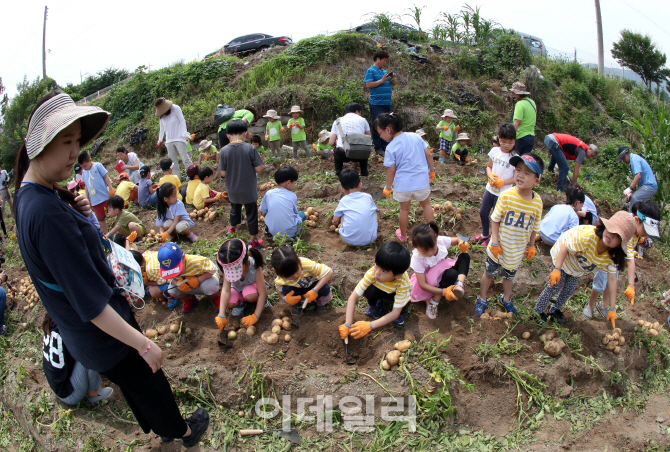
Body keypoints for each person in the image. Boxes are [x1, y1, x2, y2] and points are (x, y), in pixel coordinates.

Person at [15, 91, 208, 446]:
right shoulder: (45, 213)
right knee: (148, 378)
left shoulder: (32, 196)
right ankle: (181, 432)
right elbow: (90, 303)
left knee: (136, 383)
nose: (75, 153)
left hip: (87, 337)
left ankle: (161, 427)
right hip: (103, 334)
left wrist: (82, 213)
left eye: (77, 142)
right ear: (40, 146)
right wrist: (143, 343)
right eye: (66, 142)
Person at [533, 211, 634, 325]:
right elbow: (565, 246)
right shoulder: (588, 237)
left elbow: (611, 280)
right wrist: (557, 269)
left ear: (620, 244)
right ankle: (537, 312)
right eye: (611, 230)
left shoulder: (611, 258)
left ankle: (554, 309)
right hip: (564, 257)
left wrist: (612, 308)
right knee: (553, 287)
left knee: (568, 290)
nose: (611, 235)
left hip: (578, 267)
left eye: (617, 236)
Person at [475, 153, 544, 316]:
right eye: (518, 170)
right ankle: (482, 298)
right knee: (489, 273)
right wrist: (495, 242)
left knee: (509, 276)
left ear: (537, 180)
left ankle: (505, 299)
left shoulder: (537, 202)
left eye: (527, 173)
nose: (520, 174)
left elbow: (535, 226)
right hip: (498, 247)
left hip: (517, 249)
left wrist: (532, 245)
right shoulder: (506, 195)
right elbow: (495, 220)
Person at [584, 200, 661, 320]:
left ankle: (603, 305)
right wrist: (631, 285)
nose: (645, 234)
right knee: (599, 284)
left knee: (611, 283)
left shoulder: (637, 231)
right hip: (606, 258)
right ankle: (590, 305)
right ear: (636, 220)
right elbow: (630, 260)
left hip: (616, 259)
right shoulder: (627, 229)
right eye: (645, 230)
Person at [375, 112, 435, 243]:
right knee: (426, 206)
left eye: (380, 133)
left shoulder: (391, 147)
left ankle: (403, 235)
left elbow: (391, 170)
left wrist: (388, 187)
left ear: (388, 129)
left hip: (403, 185)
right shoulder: (416, 137)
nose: (380, 136)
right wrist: (432, 170)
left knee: (404, 209)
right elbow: (429, 155)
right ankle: (433, 234)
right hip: (421, 181)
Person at [339, 242, 412, 338]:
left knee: (404, 303)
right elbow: (354, 296)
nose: (377, 272)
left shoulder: (402, 282)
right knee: (369, 291)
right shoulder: (372, 273)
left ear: (397, 275)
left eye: (384, 271)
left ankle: (401, 313)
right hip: (380, 290)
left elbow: (395, 313)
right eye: (377, 265)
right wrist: (348, 323)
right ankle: (376, 304)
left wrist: (369, 325)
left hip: (394, 294)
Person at [41, 313, 114, 405]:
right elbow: (86, 348)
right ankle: (94, 395)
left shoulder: (52, 321)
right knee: (91, 352)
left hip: (57, 385)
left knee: (84, 350)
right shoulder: (68, 327)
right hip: (70, 394)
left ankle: (92, 385)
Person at [409, 222, 471, 319]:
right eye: (425, 251)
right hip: (430, 280)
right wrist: (443, 292)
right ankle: (434, 300)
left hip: (443, 269)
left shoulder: (440, 241)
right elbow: (423, 284)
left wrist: (461, 243)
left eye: (433, 248)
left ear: (436, 239)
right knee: (451, 274)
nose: (430, 253)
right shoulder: (417, 258)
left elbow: (456, 239)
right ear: (415, 246)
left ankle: (459, 285)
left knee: (465, 257)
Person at [219, 119, 264, 249]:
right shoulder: (250, 148)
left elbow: (223, 173)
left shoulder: (223, 151)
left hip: (233, 189)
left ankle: (232, 229)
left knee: (235, 209)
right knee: (251, 214)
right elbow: (259, 169)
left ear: (228, 136)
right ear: (245, 134)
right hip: (248, 190)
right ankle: (253, 242)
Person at [472, 123, 519, 246]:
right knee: (483, 212)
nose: (507, 145)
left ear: (515, 140)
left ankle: (493, 237)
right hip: (490, 189)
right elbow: (489, 166)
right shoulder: (494, 151)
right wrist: (490, 175)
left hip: (503, 194)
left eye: (510, 142)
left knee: (496, 217)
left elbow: (516, 178)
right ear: (498, 138)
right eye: (503, 142)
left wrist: (503, 182)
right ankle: (485, 233)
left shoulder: (515, 158)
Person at [214, 239, 268, 328]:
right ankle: (241, 304)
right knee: (228, 302)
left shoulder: (254, 265)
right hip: (237, 290)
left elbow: (263, 293)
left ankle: (260, 302)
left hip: (252, 289)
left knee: (250, 295)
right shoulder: (228, 265)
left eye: (235, 270)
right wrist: (221, 314)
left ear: (246, 259)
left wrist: (256, 316)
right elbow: (226, 290)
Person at [159, 242, 220, 314]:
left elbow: (213, 270)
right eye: (170, 272)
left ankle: (216, 297)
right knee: (172, 291)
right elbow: (168, 278)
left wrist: (198, 280)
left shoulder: (197, 262)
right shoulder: (166, 267)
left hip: (204, 282)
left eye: (176, 269)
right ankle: (190, 299)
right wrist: (177, 283)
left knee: (210, 286)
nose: (174, 274)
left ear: (183, 258)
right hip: (188, 287)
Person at [271, 244, 333, 312]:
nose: (295, 276)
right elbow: (280, 292)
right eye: (289, 276)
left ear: (298, 259)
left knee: (325, 288)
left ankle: (320, 303)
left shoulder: (307, 264)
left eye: (297, 271)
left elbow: (329, 272)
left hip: (314, 285)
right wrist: (285, 299)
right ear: (278, 272)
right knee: (286, 290)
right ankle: (298, 303)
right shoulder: (280, 279)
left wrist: (315, 290)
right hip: (299, 291)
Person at [332, 169, 378, 247]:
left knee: (342, 214)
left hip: (348, 240)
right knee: (374, 211)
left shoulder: (344, 201)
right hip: (370, 239)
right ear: (360, 185)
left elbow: (335, 220)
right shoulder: (368, 197)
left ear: (343, 189)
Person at [259, 166, 306, 241]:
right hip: (290, 233)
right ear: (288, 182)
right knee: (302, 215)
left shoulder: (269, 193)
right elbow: (295, 213)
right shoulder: (292, 196)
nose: (294, 185)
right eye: (294, 182)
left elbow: (263, 212)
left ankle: (268, 232)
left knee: (269, 217)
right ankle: (291, 237)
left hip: (274, 233)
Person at [364, 50, 397, 156]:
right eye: (384, 60)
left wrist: (393, 78)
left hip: (386, 103)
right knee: (377, 124)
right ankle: (378, 147)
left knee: (387, 124)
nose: (385, 63)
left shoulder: (384, 72)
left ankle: (385, 146)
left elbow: (393, 84)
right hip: (376, 103)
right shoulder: (371, 71)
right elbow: (368, 84)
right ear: (378, 59)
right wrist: (382, 81)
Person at [329, 102, 372, 177]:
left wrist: (338, 141)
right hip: (360, 154)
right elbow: (368, 138)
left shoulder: (337, 121)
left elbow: (331, 143)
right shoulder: (363, 120)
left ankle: (338, 172)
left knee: (337, 150)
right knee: (364, 148)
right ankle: (364, 173)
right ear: (357, 111)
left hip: (343, 154)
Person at [78, 150, 114, 234]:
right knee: (101, 218)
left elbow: (106, 177)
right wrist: (87, 198)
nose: (84, 168)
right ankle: (106, 233)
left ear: (90, 160)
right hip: (95, 200)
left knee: (113, 211)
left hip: (104, 196)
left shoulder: (98, 166)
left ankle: (118, 229)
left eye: (85, 166)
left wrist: (111, 188)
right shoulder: (84, 172)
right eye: (82, 167)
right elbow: (86, 185)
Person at [155, 97, 193, 176]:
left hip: (179, 137)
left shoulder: (175, 108)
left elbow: (182, 120)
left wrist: (185, 133)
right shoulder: (161, 116)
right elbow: (162, 128)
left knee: (185, 158)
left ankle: (193, 176)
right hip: (169, 140)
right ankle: (177, 180)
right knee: (172, 162)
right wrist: (160, 139)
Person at [617, 146, 658, 213]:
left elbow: (638, 176)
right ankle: (639, 219)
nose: (623, 161)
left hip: (649, 186)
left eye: (622, 159)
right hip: (648, 186)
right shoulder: (634, 160)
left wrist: (630, 188)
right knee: (641, 205)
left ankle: (630, 219)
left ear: (624, 155)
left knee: (635, 198)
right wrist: (631, 192)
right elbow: (636, 180)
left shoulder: (634, 159)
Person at [510, 82, 536, 155]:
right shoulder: (532, 103)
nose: (513, 94)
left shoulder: (520, 104)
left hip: (521, 137)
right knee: (523, 162)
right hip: (531, 137)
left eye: (513, 93)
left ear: (518, 93)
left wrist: (511, 137)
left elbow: (517, 122)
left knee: (513, 160)